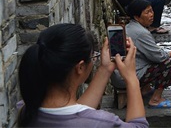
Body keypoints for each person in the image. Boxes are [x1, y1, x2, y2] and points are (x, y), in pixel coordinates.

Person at [17, 23, 147, 127]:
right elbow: (139, 125)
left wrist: (105, 69)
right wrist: (131, 79)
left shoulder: (25, 110)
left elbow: (75, 114)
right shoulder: (102, 123)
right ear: (80, 67)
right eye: (94, 57)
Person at [126, 0, 171, 108]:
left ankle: (145, 89)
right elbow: (159, 57)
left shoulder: (130, 27)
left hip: (125, 73)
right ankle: (155, 99)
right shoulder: (141, 33)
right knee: (170, 63)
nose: (151, 15)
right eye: (147, 12)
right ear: (136, 17)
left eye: (151, 11)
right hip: (130, 76)